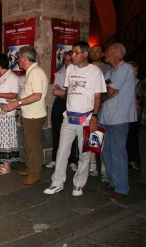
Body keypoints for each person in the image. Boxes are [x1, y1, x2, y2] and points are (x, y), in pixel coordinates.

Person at [43, 41, 106, 196]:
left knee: (84, 153)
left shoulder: (95, 71)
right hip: (69, 117)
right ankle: (57, 183)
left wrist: (94, 117)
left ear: (85, 54)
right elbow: (68, 92)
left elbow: (98, 96)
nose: (73, 56)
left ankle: (79, 184)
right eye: (72, 53)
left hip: (87, 117)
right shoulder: (70, 68)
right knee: (62, 151)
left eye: (76, 53)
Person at [2, 45, 48, 185]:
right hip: (30, 114)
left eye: (19, 57)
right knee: (29, 144)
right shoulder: (32, 71)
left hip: (34, 115)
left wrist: (17, 103)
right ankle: (30, 169)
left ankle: (34, 175)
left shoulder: (35, 72)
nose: (17, 60)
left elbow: (37, 96)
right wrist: (17, 102)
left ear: (25, 58)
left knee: (33, 146)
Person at [99, 43, 137, 201]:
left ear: (116, 52)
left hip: (119, 117)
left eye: (107, 50)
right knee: (106, 151)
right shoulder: (112, 71)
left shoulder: (125, 68)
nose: (104, 53)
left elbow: (110, 91)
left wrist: (106, 89)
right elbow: (104, 89)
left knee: (118, 152)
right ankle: (114, 181)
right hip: (106, 116)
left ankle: (122, 187)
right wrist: (106, 89)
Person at [47, 51, 78, 172]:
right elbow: (55, 91)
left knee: (72, 131)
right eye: (65, 60)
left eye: (69, 60)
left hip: (72, 104)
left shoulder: (76, 74)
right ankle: (55, 158)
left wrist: (64, 92)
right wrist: (66, 92)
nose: (67, 63)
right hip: (59, 103)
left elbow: (73, 92)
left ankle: (71, 160)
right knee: (56, 131)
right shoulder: (60, 73)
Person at [88, 45, 112, 181]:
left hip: (102, 107)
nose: (94, 53)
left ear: (102, 53)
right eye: (92, 51)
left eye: (97, 51)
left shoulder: (107, 69)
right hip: (89, 108)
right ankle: (92, 167)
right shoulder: (87, 68)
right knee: (92, 135)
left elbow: (106, 90)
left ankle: (104, 169)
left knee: (102, 137)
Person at [126, 60, 141, 170]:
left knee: (132, 137)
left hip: (134, 114)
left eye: (135, 71)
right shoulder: (125, 81)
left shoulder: (138, 83)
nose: (133, 73)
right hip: (124, 113)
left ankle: (131, 159)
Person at [136, 66, 146, 188]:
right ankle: (143, 180)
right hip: (143, 122)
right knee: (143, 152)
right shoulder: (143, 83)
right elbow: (136, 97)